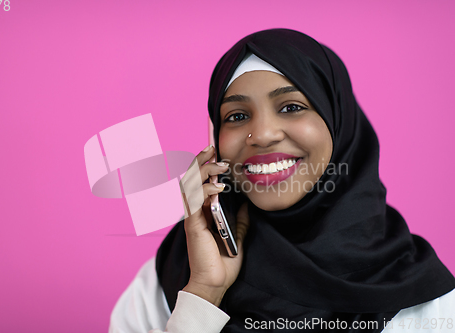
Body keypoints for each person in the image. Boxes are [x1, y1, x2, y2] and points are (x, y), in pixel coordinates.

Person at [109, 29, 455, 332]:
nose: (261, 135)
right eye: (237, 116)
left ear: (339, 122)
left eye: (291, 106)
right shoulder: (168, 280)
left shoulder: (424, 298)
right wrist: (203, 293)